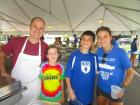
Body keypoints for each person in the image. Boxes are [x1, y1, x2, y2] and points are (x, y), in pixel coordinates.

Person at [0, 17, 48, 105]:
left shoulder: (45, 46)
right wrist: (3, 71)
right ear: (29, 27)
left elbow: (47, 63)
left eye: (41, 28)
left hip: (35, 85)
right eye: (35, 26)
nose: (38, 30)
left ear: (43, 30)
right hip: (16, 86)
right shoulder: (16, 41)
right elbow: (2, 53)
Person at [96, 26, 134, 105]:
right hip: (101, 88)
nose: (102, 40)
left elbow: (130, 72)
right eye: (99, 37)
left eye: (105, 36)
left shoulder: (121, 52)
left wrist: (122, 87)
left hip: (116, 90)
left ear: (110, 37)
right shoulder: (99, 51)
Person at [65, 31, 97, 105]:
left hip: (89, 96)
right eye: (83, 39)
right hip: (75, 95)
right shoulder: (74, 55)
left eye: (89, 39)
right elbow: (67, 75)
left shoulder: (94, 57)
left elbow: (97, 74)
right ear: (80, 40)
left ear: (92, 42)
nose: (85, 41)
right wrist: (69, 90)